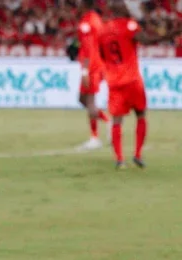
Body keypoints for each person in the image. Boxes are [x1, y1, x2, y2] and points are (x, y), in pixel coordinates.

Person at [98, 0, 154, 169]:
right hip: (132, 79)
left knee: (117, 120)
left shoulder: (103, 30)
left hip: (114, 81)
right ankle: (137, 154)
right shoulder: (129, 25)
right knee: (141, 114)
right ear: (121, 9)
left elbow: (102, 54)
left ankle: (119, 159)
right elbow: (145, 40)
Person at [76, 0, 109, 151]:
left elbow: (88, 47)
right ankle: (106, 120)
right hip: (98, 63)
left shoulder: (87, 22)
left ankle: (94, 138)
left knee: (89, 100)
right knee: (82, 99)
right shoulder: (96, 19)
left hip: (92, 66)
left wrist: (85, 70)